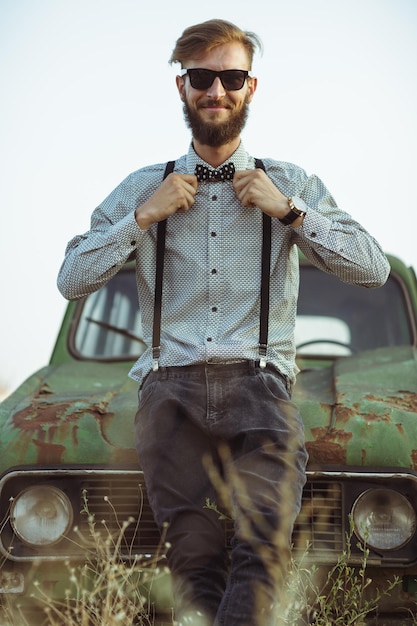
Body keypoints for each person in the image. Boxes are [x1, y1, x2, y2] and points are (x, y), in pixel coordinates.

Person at [57, 18, 390, 626]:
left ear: (250, 87)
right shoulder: (141, 185)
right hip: (169, 390)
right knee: (194, 562)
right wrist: (141, 219)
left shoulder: (291, 183)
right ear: (182, 88)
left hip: (260, 386)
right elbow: (71, 278)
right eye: (202, 78)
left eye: (230, 77)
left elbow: (370, 268)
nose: (217, 91)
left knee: (263, 551)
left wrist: (289, 212)